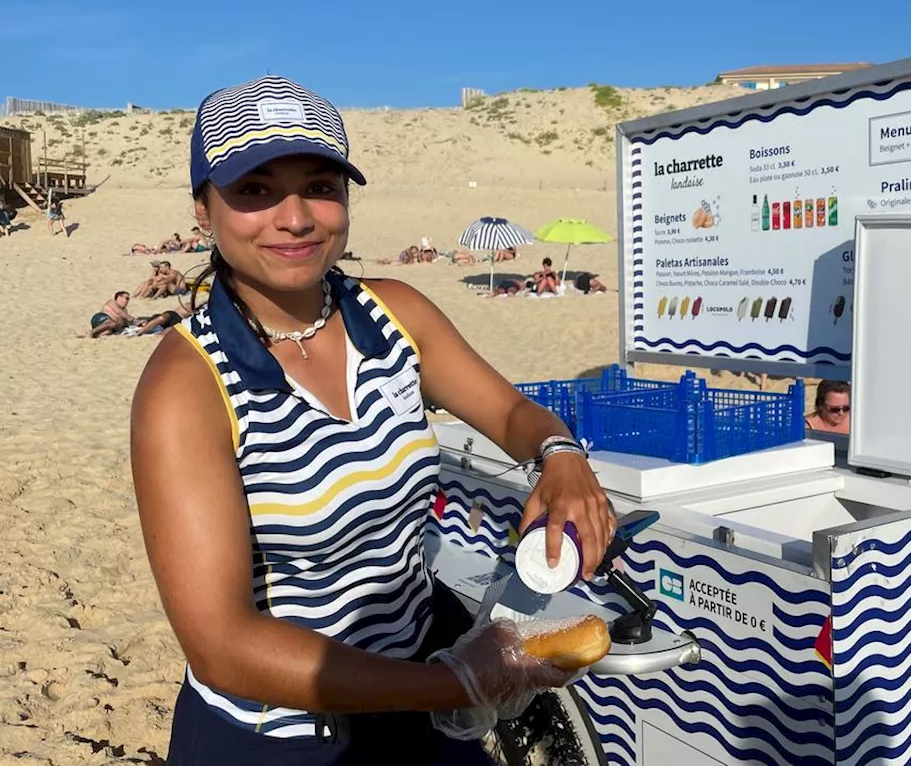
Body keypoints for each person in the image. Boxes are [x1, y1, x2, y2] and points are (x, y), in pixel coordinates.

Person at [129, 76, 614, 764]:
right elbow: (222, 646)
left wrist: (561, 458)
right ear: (203, 211)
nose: (295, 218)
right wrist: (456, 682)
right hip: (285, 733)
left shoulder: (394, 315)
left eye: (320, 186)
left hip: (422, 688)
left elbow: (508, 410)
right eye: (255, 190)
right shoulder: (185, 387)